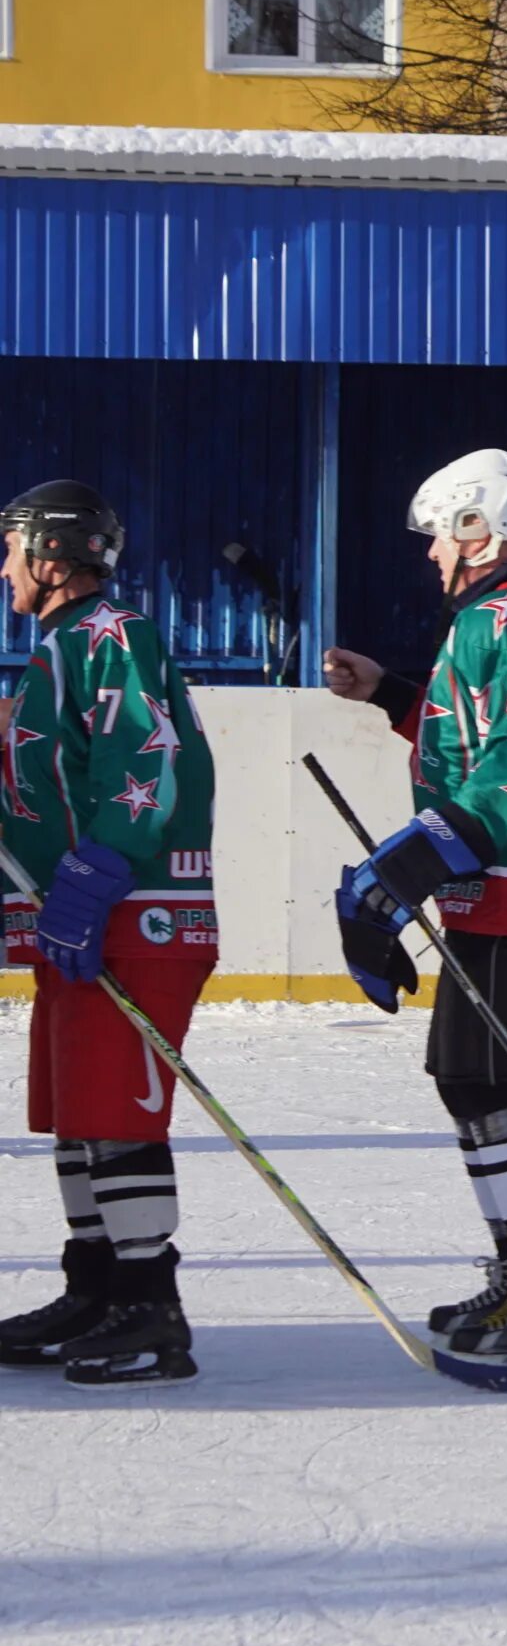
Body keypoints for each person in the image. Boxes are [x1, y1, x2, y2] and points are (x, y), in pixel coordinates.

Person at [322, 448, 507, 1381]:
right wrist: (394, 694)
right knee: (470, 1074)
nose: (430, 556)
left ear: (476, 526)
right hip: (506, 891)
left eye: (438, 535)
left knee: (492, 1081)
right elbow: (491, 736)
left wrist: (397, 871)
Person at [0, 482, 219, 1388]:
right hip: (80, 920)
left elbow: (148, 755)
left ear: (50, 555)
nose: (3, 564)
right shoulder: (59, 647)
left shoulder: (107, 636)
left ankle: (148, 1306)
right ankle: (95, 1286)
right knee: (79, 1112)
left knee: (119, 1118)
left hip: (133, 914)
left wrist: (95, 874)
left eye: (11, 546)